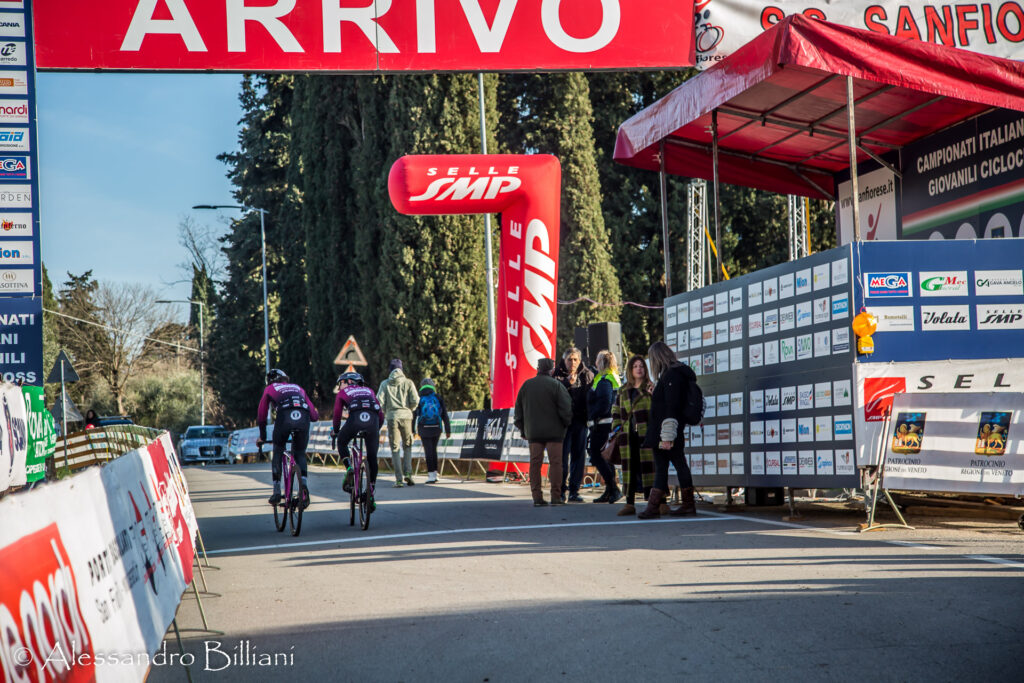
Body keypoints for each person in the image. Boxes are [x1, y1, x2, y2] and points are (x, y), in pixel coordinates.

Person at [639, 341, 698, 519]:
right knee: (672, 465)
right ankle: (662, 506)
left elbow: (671, 406)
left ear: (657, 357)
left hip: (667, 430)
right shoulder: (674, 374)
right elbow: (669, 403)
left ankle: (657, 507)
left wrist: (667, 435)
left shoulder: (671, 375)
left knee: (672, 465)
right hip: (668, 429)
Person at [256, 368, 319, 508]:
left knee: (278, 449)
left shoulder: (270, 388)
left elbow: (261, 415)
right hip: (303, 417)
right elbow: (314, 416)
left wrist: (262, 436)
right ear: (285, 379)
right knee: (300, 453)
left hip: (284, 417)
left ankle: (277, 491)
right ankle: (304, 489)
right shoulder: (298, 387)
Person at [513, 357, 572, 507]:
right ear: (551, 369)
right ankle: (556, 496)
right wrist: (565, 425)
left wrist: (523, 429)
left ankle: (537, 497)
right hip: (555, 433)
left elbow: (518, 411)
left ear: (538, 369)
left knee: (535, 464)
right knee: (556, 463)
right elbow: (566, 409)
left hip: (533, 433)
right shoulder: (557, 386)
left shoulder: (526, 386)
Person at [333, 372, 385, 510]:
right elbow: (380, 414)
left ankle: (349, 467)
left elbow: (337, 414)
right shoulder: (370, 391)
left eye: (341, 383)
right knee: (372, 457)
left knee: (342, 441)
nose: (340, 387)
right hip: (373, 421)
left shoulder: (343, 393)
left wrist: (336, 430)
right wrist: (375, 430)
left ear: (349, 381)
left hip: (355, 420)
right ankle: (371, 493)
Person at [611, 356, 656, 516]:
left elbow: (657, 410)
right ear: (630, 370)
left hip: (647, 435)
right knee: (629, 470)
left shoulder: (650, 388)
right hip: (628, 437)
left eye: (641, 366)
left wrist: (653, 394)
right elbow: (615, 410)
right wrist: (617, 427)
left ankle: (658, 502)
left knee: (651, 469)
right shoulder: (623, 390)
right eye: (635, 366)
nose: (639, 369)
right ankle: (629, 503)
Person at [554, 347, 593, 503]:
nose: (572, 362)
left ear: (580, 360)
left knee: (579, 457)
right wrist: (567, 384)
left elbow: (591, 396)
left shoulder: (588, 374)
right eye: (569, 359)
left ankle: (574, 491)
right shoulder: (556, 375)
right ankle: (561, 490)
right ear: (564, 360)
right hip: (563, 424)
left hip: (581, 422)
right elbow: (554, 397)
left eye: (575, 359)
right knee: (562, 458)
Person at [587, 349, 623, 504]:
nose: (595, 363)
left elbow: (604, 402)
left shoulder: (604, 380)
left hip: (602, 423)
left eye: (597, 360)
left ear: (601, 362)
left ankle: (613, 488)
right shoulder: (614, 377)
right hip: (610, 423)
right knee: (606, 456)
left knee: (596, 454)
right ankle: (610, 491)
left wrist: (591, 415)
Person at [377, 358, 420, 487]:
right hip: (407, 417)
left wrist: (386, 411)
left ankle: (399, 480)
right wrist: (409, 409)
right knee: (407, 446)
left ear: (390, 370)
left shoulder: (384, 384)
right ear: (401, 369)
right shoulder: (408, 382)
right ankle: (408, 474)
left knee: (395, 448)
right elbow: (416, 400)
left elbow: (379, 402)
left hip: (391, 418)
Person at [413, 377, 451, 484]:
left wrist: (413, 430)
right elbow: (445, 415)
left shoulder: (419, 398)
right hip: (436, 427)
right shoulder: (438, 397)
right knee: (434, 450)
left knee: (428, 450)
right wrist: (448, 430)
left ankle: (430, 474)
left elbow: (415, 415)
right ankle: (435, 473)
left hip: (423, 428)